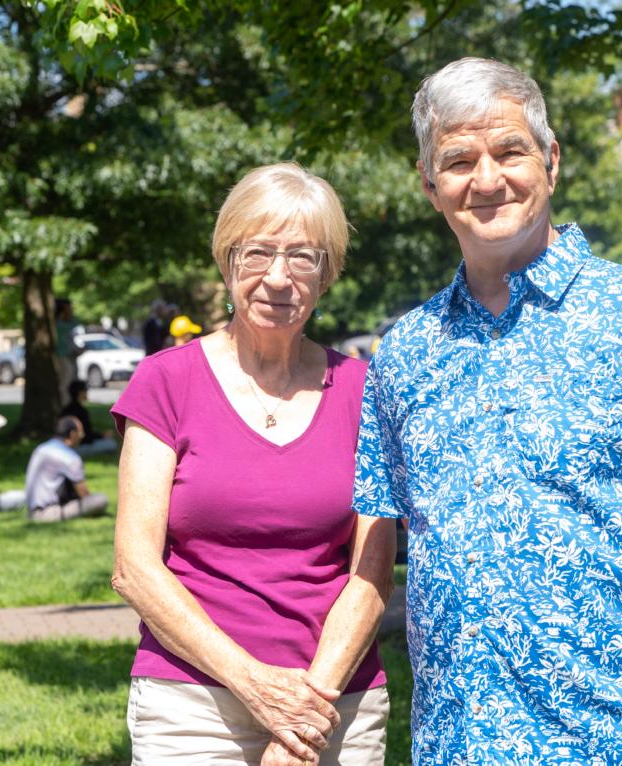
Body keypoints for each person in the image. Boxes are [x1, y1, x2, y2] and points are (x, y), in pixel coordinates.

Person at [354, 59, 622, 763]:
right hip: (461, 740)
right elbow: (391, 550)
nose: (486, 180)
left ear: (551, 160)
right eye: (457, 161)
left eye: (509, 151)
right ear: (428, 185)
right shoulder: (404, 354)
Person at [110, 162, 395, 766]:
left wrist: (305, 714)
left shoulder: (366, 392)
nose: (277, 278)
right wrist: (255, 687)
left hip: (335, 702)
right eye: (258, 253)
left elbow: (371, 575)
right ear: (227, 260)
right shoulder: (166, 382)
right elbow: (135, 568)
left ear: (327, 274)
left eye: (302, 257)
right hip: (192, 703)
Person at [25, 415, 109, 523]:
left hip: (30, 511)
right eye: (81, 433)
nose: (82, 437)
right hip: (49, 513)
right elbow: (84, 494)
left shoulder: (41, 448)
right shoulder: (70, 457)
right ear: (72, 434)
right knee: (100, 500)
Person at [59, 380, 118, 456]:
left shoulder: (66, 409)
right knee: (112, 444)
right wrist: (102, 436)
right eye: (85, 390)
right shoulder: (81, 412)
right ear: (80, 393)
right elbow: (87, 436)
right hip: (77, 448)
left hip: (63, 446)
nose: (86, 393)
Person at [54, 298, 79, 405]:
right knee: (65, 384)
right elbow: (73, 323)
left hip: (66, 356)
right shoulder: (58, 324)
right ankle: (64, 406)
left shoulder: (62, 323)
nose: (70, 310)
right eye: (68, 308)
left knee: (67, 382)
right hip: (61, 357)